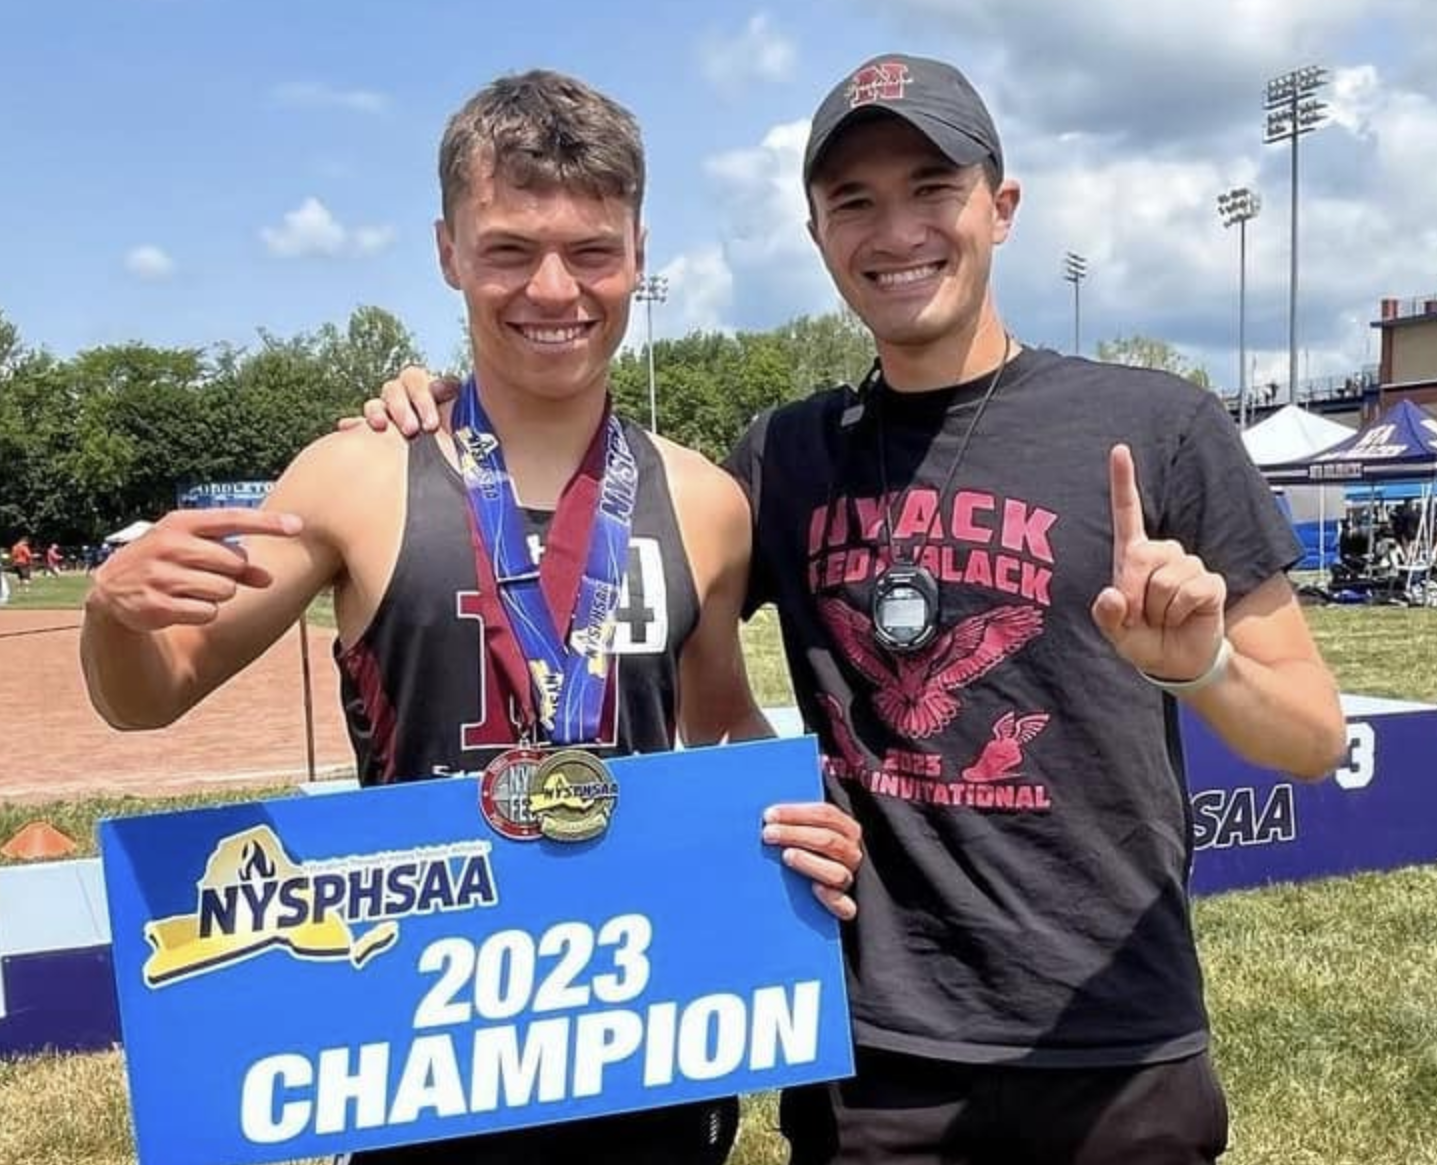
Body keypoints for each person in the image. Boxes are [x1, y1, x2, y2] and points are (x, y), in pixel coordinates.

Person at [359, 53, 1347, 1165]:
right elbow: (682, 674)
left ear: (1001, 206)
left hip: (1113, 1046)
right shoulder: (780, 458)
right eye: (854, 203)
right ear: (821, 234)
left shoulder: (1155, 426)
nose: (896, 231)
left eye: (933, 189)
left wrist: (1201, 664)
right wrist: (459, 404)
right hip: (869, 1058)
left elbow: (1312, 737)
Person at [80, 69, 861, 1165]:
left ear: (639, 251)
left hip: (645, 1041)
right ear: (448, 251)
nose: (554, 288)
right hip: (427, 1054)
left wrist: (792, 812)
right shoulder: (356, 473)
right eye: (508, 250)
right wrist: (114, 616)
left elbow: (720, 722)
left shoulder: (702, 499)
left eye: (592, 250)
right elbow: (150, 697)